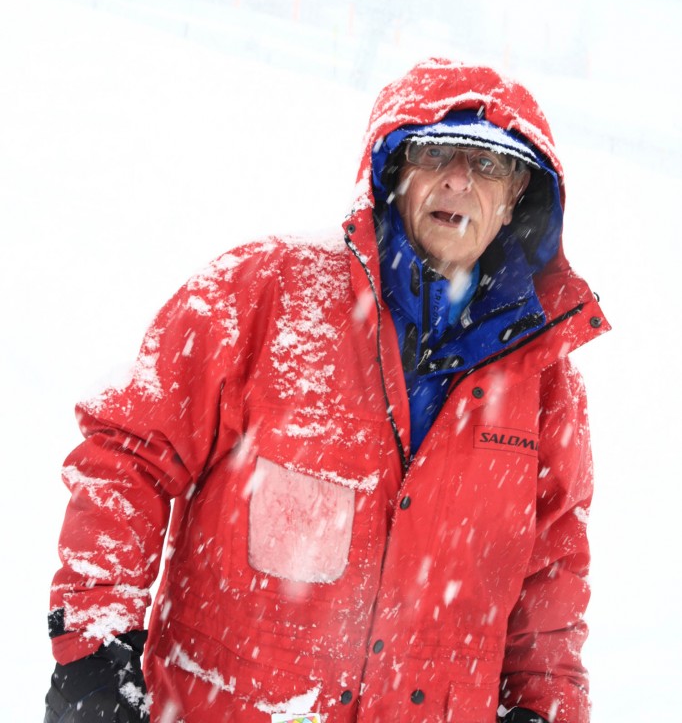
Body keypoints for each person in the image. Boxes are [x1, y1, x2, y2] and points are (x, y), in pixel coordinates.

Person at [44, 58, 609, 723]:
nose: (458, 179)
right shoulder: (261, 294)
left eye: (488, 164)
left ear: (516, 196)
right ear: (392, 171)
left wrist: (546, 708)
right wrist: (94, 649)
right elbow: (127, 456)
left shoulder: (545, 381)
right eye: (434, 153)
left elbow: (552, 571)